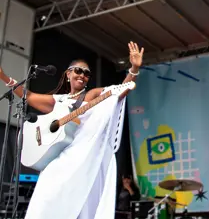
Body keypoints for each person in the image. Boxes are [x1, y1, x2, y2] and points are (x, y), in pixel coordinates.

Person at [0, 41, 144, 219]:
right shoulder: (58, 101)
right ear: (68, 74)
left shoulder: (90, 96)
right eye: (78, 70)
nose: (82, 75)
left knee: (81, 207)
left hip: (82, 160)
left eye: (86, 73)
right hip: (60, 160)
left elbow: (119, 92)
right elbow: (28, 96)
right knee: (44, 200)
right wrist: (4, 77)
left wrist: (134, 70)